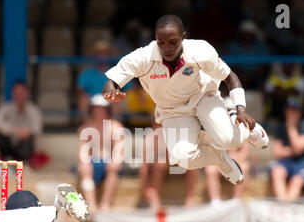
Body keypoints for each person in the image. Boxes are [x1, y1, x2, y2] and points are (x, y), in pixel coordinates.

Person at [102, 14, 269, 186]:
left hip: (203, 96)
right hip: (172, 109)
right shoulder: (143, 57)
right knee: (182, 159)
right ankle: (219, 158)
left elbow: (230, 77)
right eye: (161, 42)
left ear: (183, 37)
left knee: (229, 141)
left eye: (173, 42)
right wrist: (111, 89)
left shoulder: (201, 51)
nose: (166, 48)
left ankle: (247, 128)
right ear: (155, 39)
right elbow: (111, 82)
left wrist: (241, 110)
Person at [78, 94, 123, 213]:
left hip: (109, 161)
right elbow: (83, 151)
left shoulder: (115, 126)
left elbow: (119, 149)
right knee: (84, 169)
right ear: (91, 110)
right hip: (93, 161)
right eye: (96, 108)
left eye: (102, 108)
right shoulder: (85, 128)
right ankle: (91, 205)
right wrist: (85, 163)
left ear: (108, 110)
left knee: (113, 169)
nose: (99, 111)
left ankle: (105, 204)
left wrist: (115, 161)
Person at [139, 122, 198, 210]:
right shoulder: (151, 136)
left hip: (177, 166)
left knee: (192, 164)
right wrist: (146, 188)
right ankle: (154, 200)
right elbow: (144, 166)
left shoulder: (178, 134)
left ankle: (190, 198)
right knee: (160, 164)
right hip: (161, 167)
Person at [204, 97, 250, 205]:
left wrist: (229, 158)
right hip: (220, 161)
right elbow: (212, 151)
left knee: (245, 167)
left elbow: (244, 154)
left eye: (231, 110)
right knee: (210, 169)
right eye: (227, 110)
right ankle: (215, 202)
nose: (229, 113)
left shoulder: (244, 127)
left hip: (232, 162)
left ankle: (236, 201)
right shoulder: (214, 126)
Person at [0, 81, 43, 162]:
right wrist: (14, 130)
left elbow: (37, 128)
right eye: (16, 93)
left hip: (24, 144)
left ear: (27, 93)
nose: (19, 96)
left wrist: (27, 132)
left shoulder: (34, 110)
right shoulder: (6, 107)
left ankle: (24, 162)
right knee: (0, 135)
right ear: (13, 94)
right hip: (9, 142)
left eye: (21, 93)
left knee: (28, 140)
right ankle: (7, 159)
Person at [270, 103, 304, 202]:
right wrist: (295, 151)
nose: (292, 114)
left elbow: (299, 147)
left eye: (295, 111)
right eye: (290, 110)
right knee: (277, 172)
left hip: (302, 163)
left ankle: (287, 206)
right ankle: (283, 205)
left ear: (300, 113)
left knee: (297, 181)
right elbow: (278, 152)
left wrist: (291, 128)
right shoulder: (280, 127)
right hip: (284, 163)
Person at [77, 40, 121, 120]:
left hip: (110, 100)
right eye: (99, 54)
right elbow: (80, 90)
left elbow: (128, 87)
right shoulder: (87, 73)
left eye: (105, 54)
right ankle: (88, 125)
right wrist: (85, 94)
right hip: (92, 101)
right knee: (83, 99)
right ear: (95, 56)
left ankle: (115, 125)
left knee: (117, 99)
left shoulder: (116, 72)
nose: (102, 57)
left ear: (109, 56)